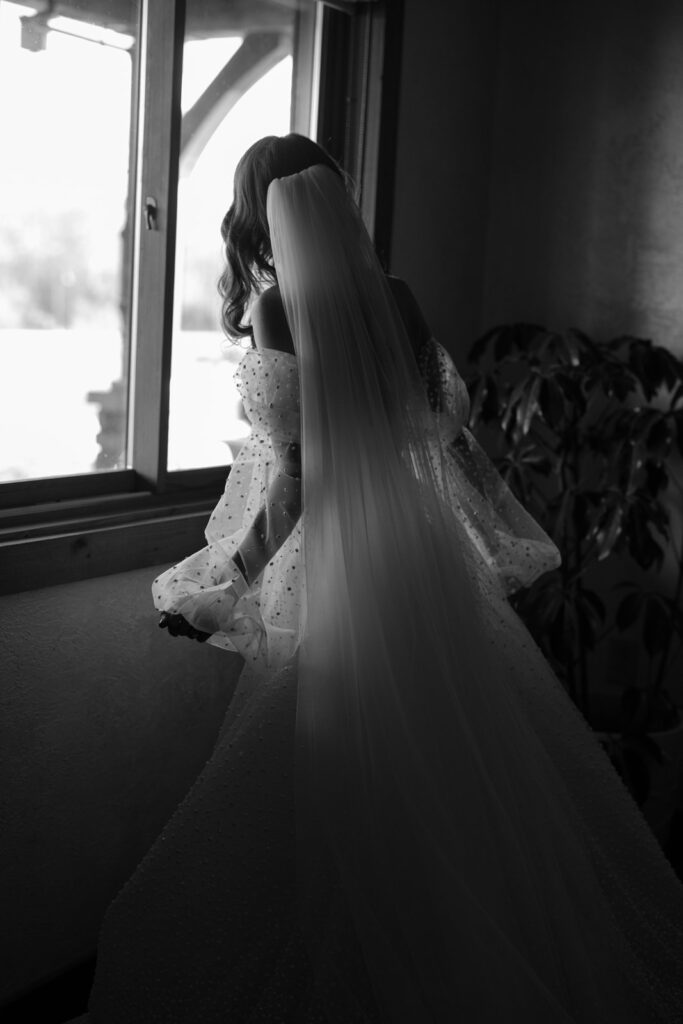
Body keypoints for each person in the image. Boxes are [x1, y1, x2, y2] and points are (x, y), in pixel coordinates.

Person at [78, 134, 683, 1023]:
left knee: (331, 774)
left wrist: (228, 580)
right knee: (444, 768)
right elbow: (436, 427)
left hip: (336, 566)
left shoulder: (281, 305)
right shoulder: (395, 298)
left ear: (259, 211)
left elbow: (299, 474)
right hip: (416, 549)